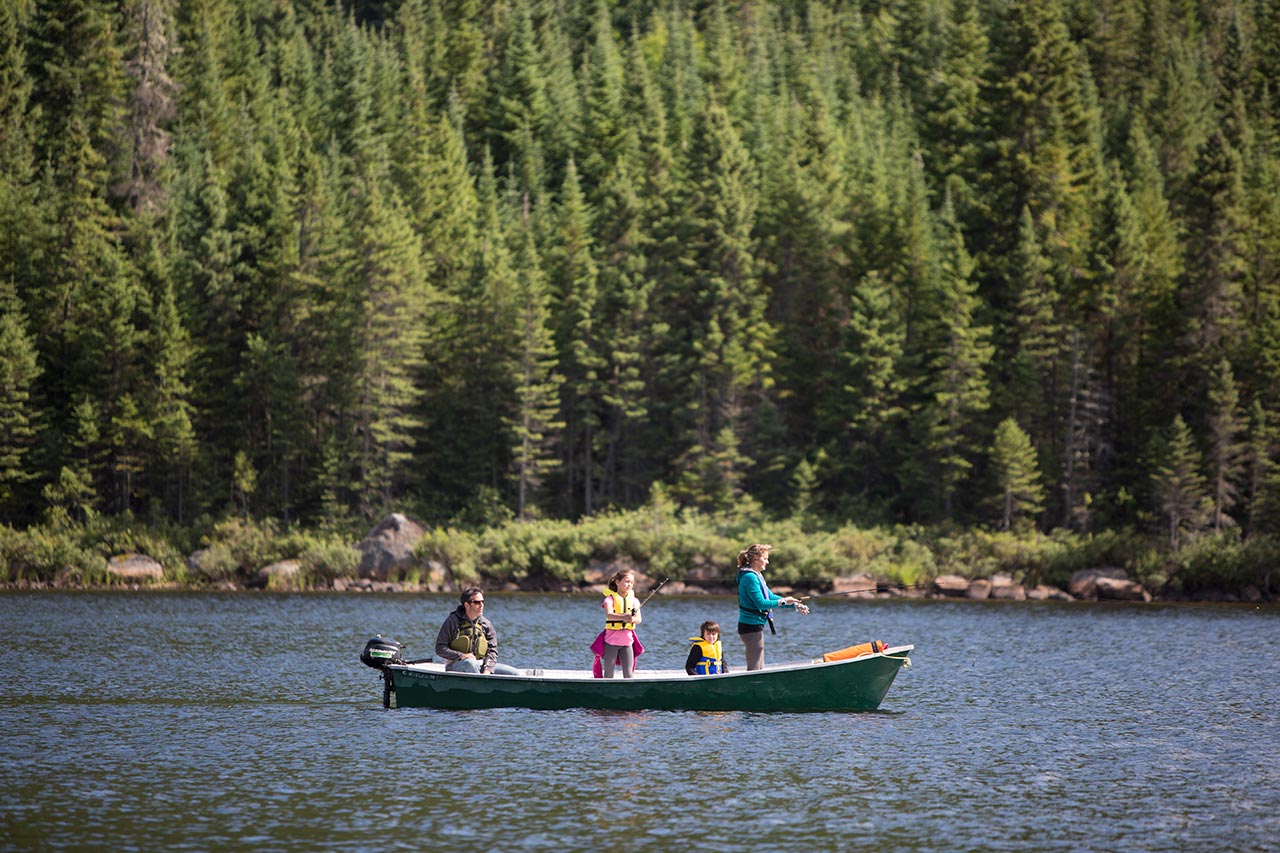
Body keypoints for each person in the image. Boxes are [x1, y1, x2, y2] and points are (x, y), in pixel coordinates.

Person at [736, 543, 808, 671]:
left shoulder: (756, 575)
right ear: (756, 559)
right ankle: (752, 688)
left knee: (758, 666)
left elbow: (770, 596)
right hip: (750, 627)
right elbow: (761, 603)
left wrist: (795, 605)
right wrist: (784, 601)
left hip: (755, 626)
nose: (767, 562)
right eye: (765, 558)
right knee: (754, 669)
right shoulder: (749, 577)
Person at [434, 588, 522, 675]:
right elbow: (440, 648)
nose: (481, 605)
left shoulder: (486, 624)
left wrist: (487, 670)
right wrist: (461, 655)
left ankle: (485, 682)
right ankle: (483, 685)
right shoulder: (452, 621)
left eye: (483, 602)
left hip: (481, 665)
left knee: (515, 673)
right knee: (470, 664)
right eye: (477, 602)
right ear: (466, 605)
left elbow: (492, 651)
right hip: (456, 665)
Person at [599, 568, 643, 678]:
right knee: (609, 673)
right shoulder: (610, 599)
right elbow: (609, 615)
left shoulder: (634, 601)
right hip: (611, 641)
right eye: (627, 581)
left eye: (632, 582)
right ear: (618, 582)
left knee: (629, 674)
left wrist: (632, 619)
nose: (630, 584)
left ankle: (629, 694)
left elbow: (639, 619)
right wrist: (624, 616)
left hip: (627, 642)